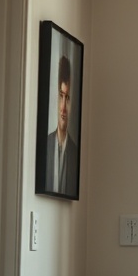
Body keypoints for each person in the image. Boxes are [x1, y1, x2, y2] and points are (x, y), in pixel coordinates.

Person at [46, 55, 79, 197]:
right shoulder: (46, 144)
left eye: (68, 98)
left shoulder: (74, 152)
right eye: (61, 96)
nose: (63, 108)